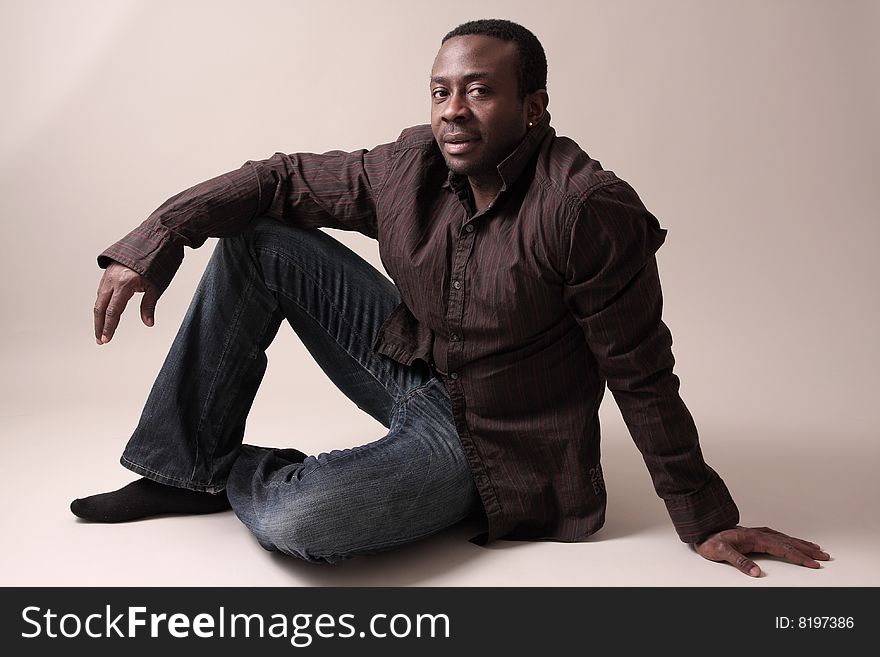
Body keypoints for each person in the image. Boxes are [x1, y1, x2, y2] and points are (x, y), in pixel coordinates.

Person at [72, 19, 829, 575]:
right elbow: (279, 178)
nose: (453, 111)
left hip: (492, 442)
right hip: (414, 366)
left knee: (303, 520)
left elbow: (642, 371)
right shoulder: (409, 166)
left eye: (479, 91)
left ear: (533, 108)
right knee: (256, 236)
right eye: (441, 91)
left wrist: (704, 518)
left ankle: (240, 470)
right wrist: (159, 236)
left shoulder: (586, 208)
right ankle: (183, 466)